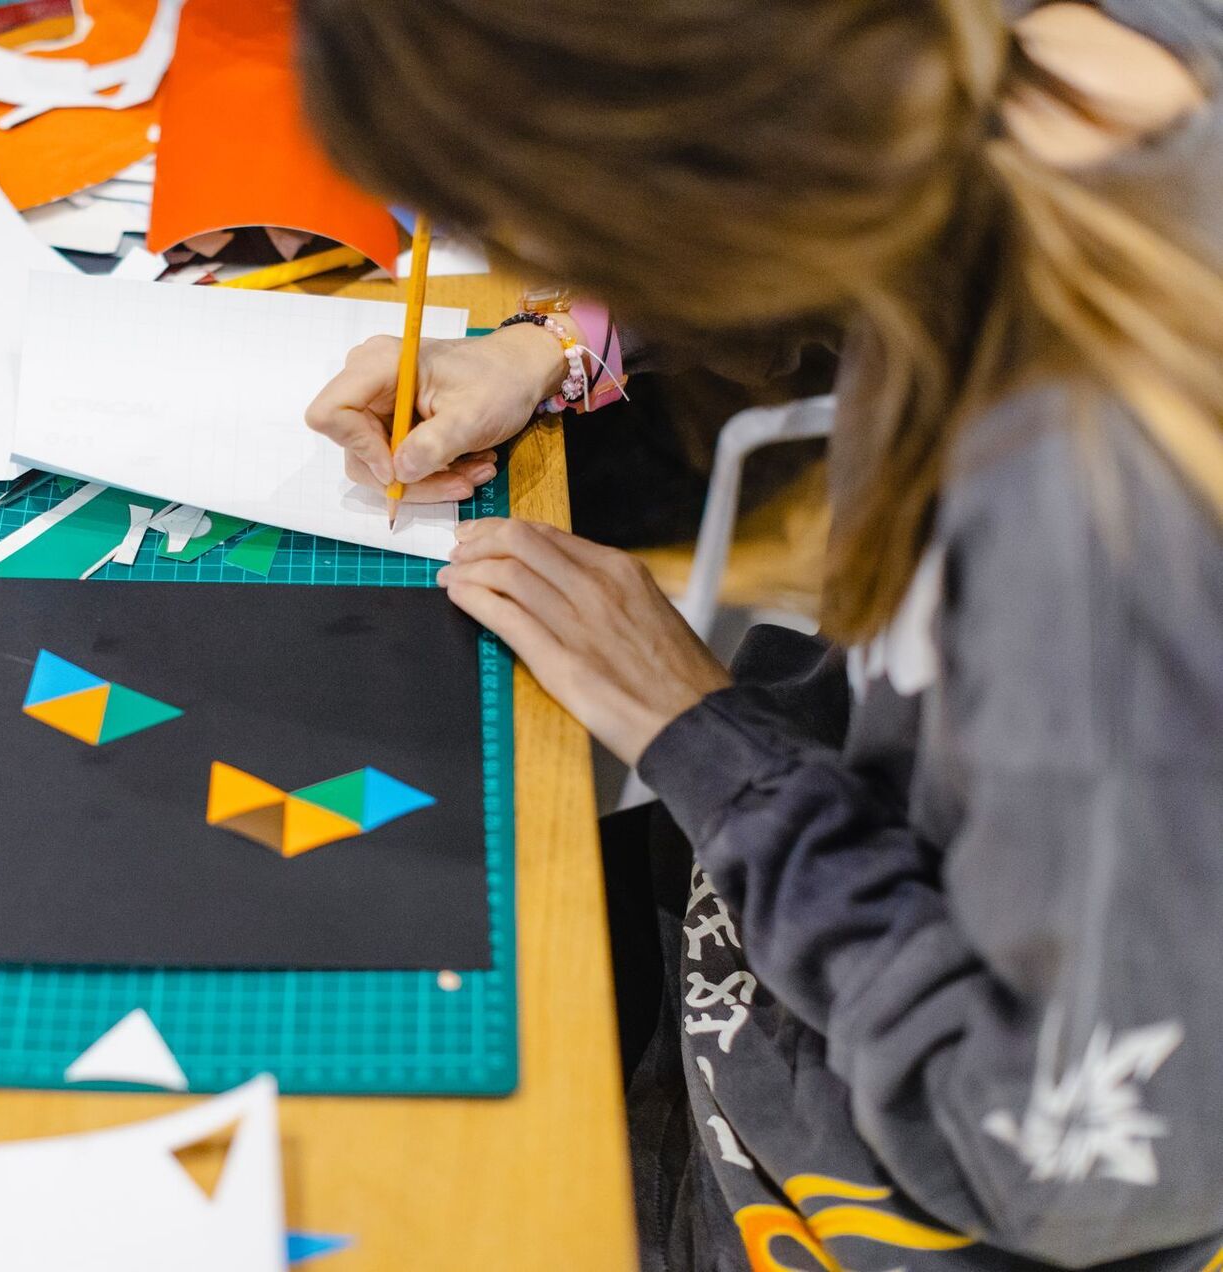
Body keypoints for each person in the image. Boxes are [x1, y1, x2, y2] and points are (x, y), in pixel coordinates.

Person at [296, 1, 1223, 1267]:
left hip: (867, 1191)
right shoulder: (1069, 57)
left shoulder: (1099, 533)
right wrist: (562, 340)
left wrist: (699, 734)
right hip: (807, 909)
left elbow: (1059, 1168)